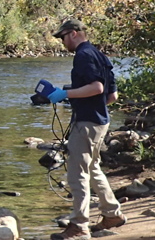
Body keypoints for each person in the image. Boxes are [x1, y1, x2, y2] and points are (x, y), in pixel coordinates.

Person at [43, 19, 125, 240]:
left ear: (73, 34)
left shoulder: (83, 55)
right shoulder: (100, 55)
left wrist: (66, 94)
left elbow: (96, 87)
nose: (62, 43)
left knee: (77, 173)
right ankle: (112, 214)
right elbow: (111, 96)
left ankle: (79, 226)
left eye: (62, 38)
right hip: (100, 121)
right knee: (92, 168)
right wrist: (82, 101)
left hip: (88, 123)